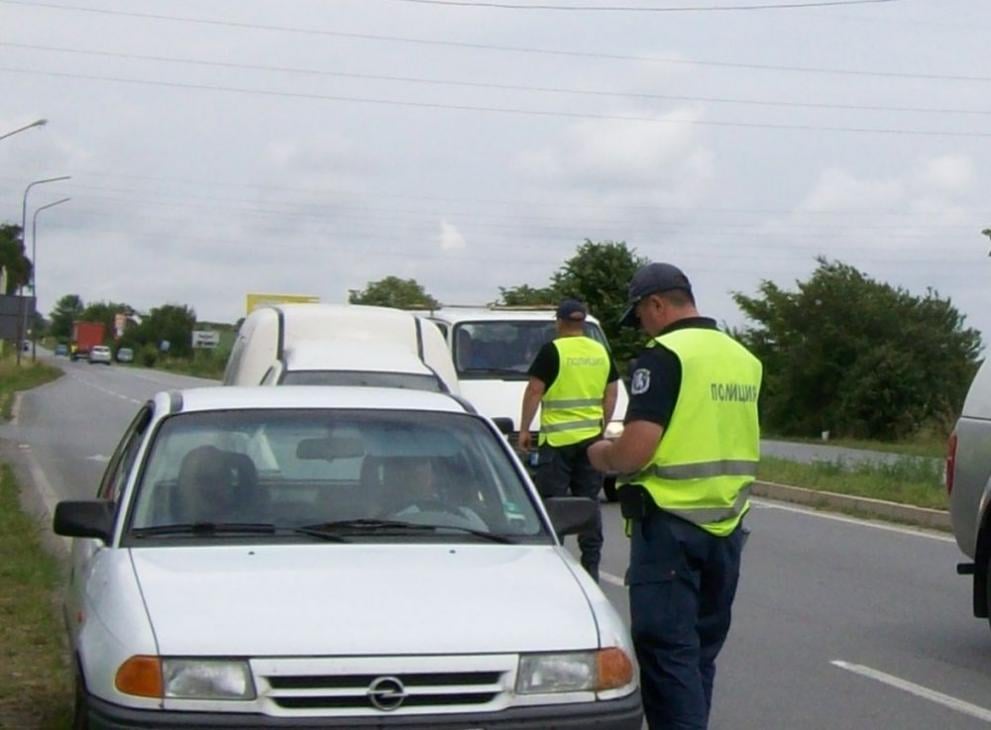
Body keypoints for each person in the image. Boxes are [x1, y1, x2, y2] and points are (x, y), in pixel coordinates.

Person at [587, 263, 762, 730]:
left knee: (667, 658)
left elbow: (638, 448)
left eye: (641, 315)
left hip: (669, 530)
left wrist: (603, 454)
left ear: (657, 304)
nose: (642, 326)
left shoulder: (663, 356)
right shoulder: (743, 358)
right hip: (726, 528)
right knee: (699, 656)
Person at [518, 298, 619, 582]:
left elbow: (534, 391)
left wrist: (526, 429)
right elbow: (611, 393)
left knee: (553, 504)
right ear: (583, 323)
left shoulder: (553, 350)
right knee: (588, 504)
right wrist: (602, 424)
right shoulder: (600, 351)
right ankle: (592, 567)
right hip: (591, 441)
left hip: (558, 441)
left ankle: (555, 567)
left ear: (559, 322)